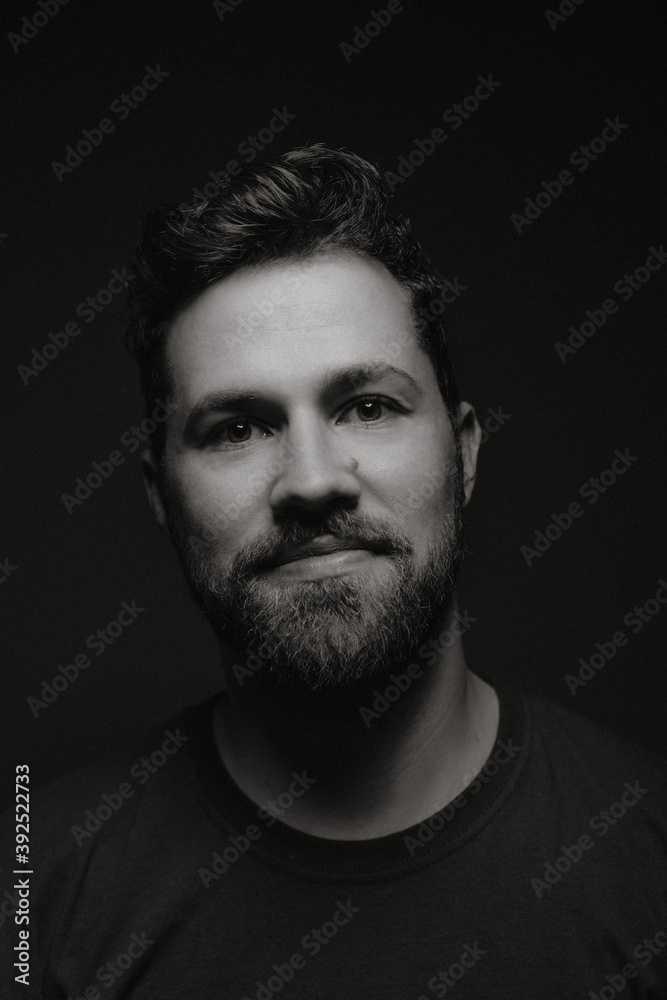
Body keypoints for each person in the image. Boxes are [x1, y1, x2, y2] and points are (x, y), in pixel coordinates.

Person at [1, 145, 665, 999]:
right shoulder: (31, 889)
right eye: (238, 428)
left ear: (462, 455)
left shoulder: (646, 858)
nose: (312, 481)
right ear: (161, 495)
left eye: (367, 407)